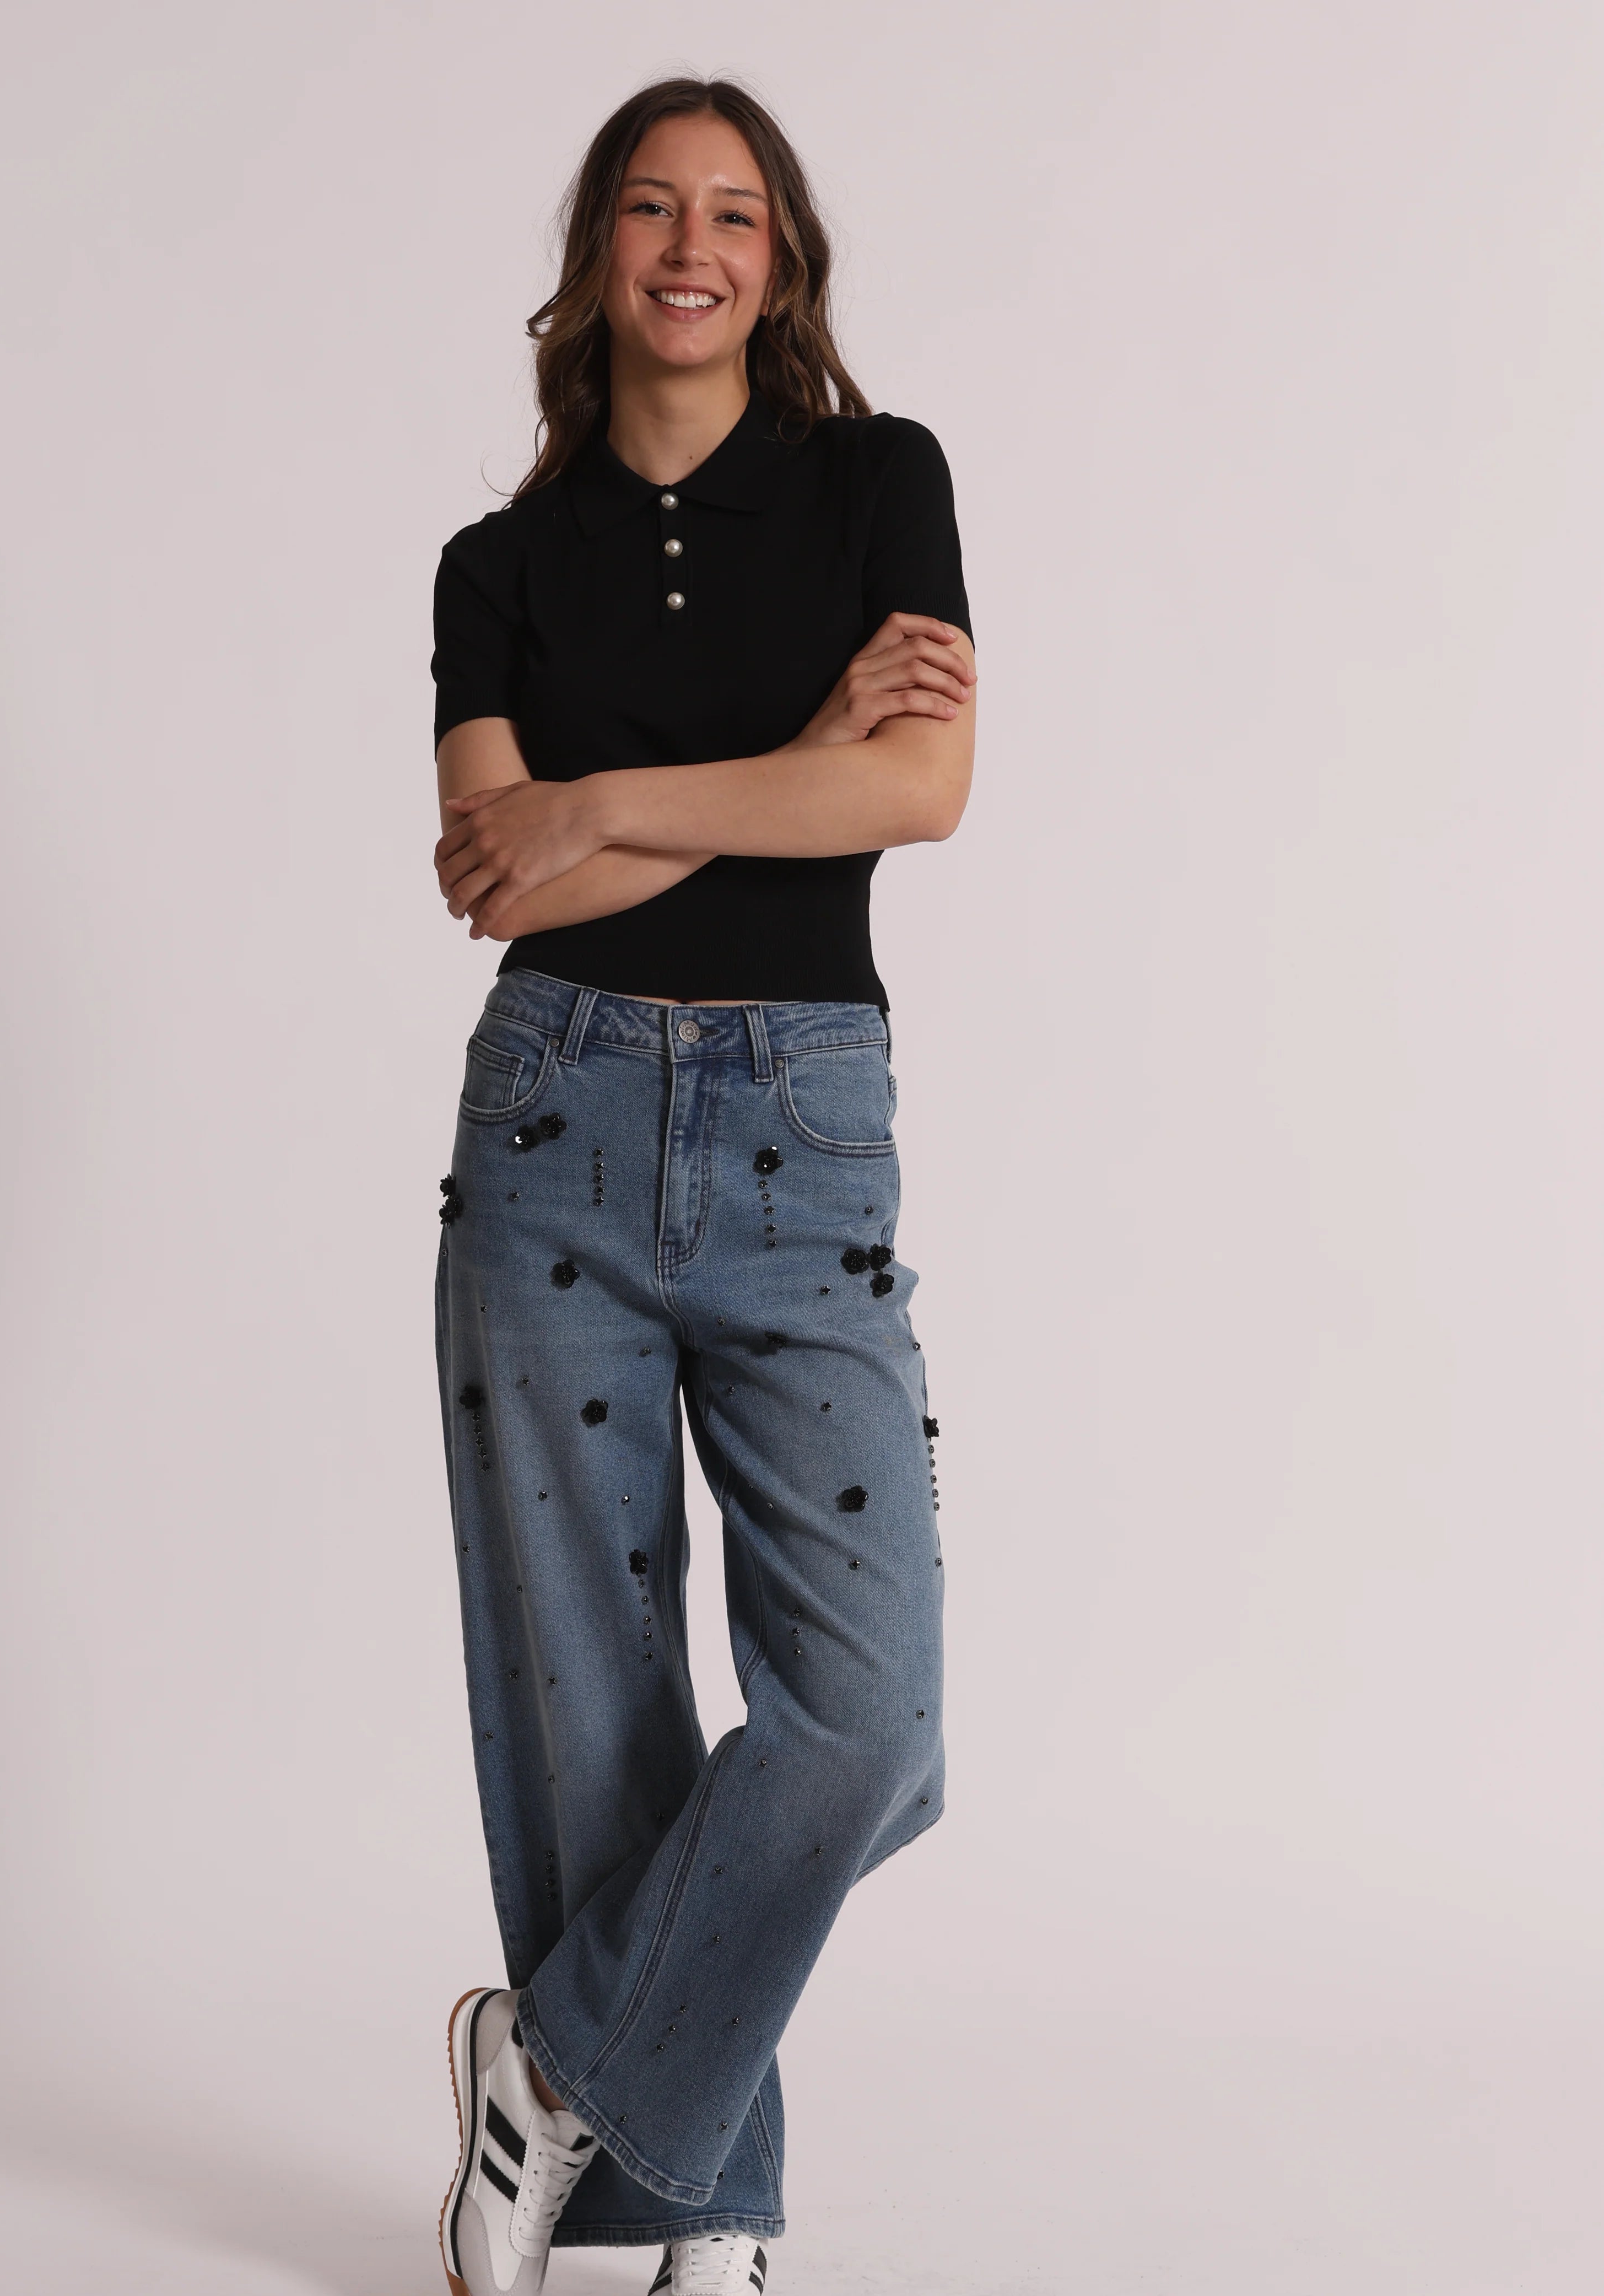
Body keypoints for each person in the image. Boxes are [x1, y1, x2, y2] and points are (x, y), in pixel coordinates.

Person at [429, 75, 975, 2296]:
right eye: (651, 209)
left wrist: (605, 803)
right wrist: (792, 764)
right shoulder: (497, 566)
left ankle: (548, 2067)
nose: (690, 245)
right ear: (596, 259)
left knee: (873, 1728)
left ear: (781, 260)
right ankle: (710, 2219)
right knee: (593, 1706)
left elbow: (923, 789)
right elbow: (502, 876)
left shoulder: (876, 481)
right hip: (550, 1122)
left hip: (801, 1126)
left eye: (733, 213)